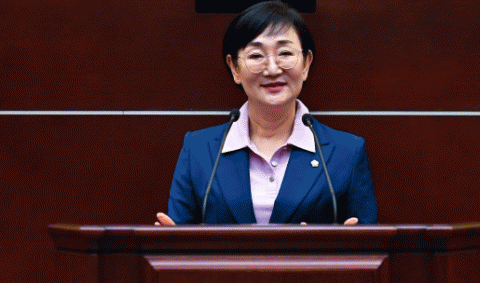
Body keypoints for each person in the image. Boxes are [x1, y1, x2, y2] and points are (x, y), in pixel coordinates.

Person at [155, 0, 377, 225]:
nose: (272, 69)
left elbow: (370, 243)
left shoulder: (347, 152)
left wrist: (344, 242)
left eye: (285, 53)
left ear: (306, 64)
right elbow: (178, 238)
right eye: (256, 56)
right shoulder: (198, 150)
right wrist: (168, 240)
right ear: (234, 68)